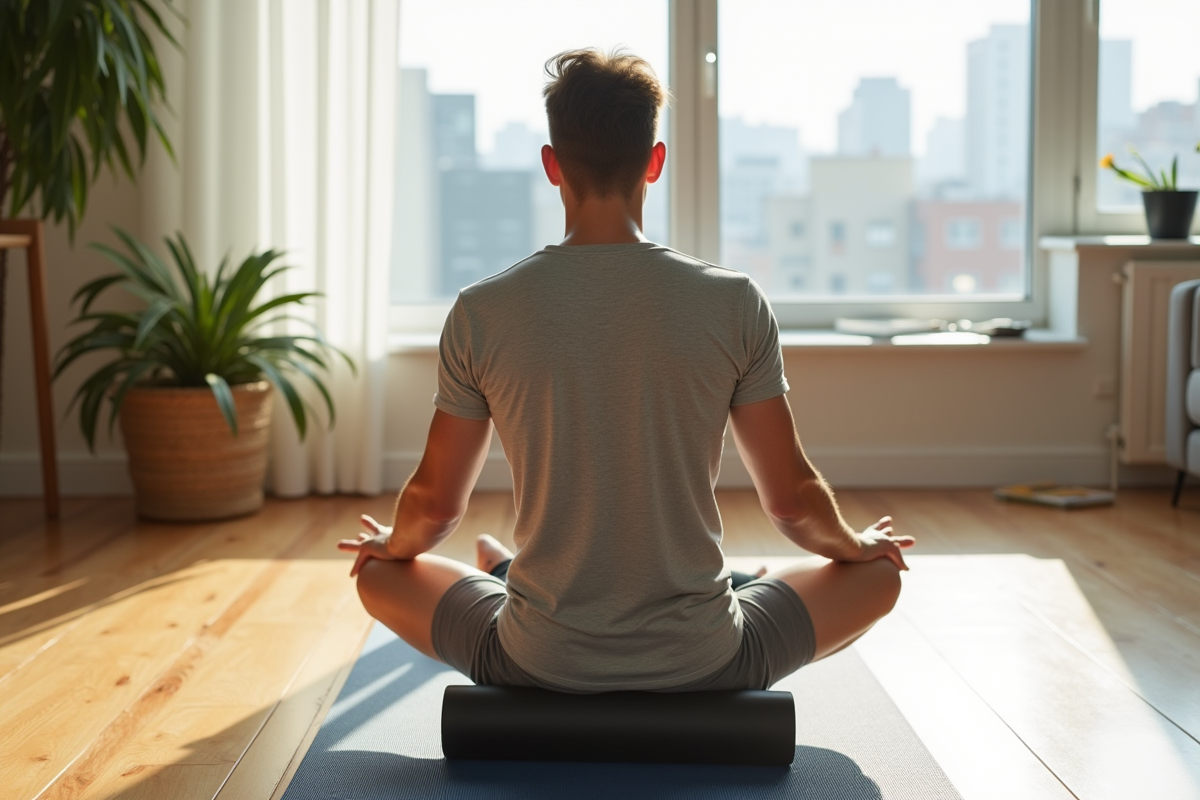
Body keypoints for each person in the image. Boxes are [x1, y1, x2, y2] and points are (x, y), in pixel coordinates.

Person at [338, 49, 913, 693]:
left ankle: (508, 577)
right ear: (655, 161)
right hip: (705, 660)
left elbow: (435, 507)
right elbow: (793, 502)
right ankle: (710, 582)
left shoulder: (481, 310)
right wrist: (857, 545)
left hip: (537, 660)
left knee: (376, 573)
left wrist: (391, 541)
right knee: (880, 575)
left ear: (552, 166)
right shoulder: (734, 301)